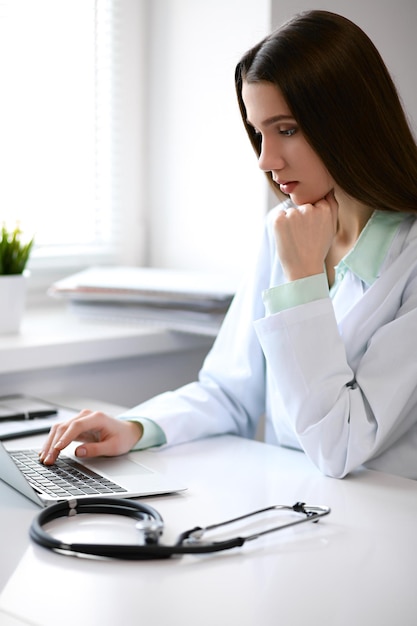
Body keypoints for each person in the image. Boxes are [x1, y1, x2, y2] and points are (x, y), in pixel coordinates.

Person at [40, 10, 417, 479]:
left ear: (349, 120)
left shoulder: (408, 257)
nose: (265, 159)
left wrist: (302, 280)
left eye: (287, 130)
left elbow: (338, 447)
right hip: (298, 509)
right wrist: (136, 426)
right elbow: (230, 390)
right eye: (259, 133)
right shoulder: (282, 227)